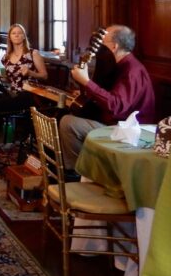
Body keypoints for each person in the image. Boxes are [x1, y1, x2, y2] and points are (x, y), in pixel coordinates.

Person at [59, 24, 156, 171]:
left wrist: (86, 81)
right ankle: (88, 169)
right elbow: (108, 93)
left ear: (114, 46)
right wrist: (85, 89)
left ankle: (76, 172)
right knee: (70, 113)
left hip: (128, 131)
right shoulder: (117, 65)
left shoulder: (132, 70)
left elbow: (115, 105)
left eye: (102, 44)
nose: (99, 49)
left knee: (68, 123)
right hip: (114, 122)